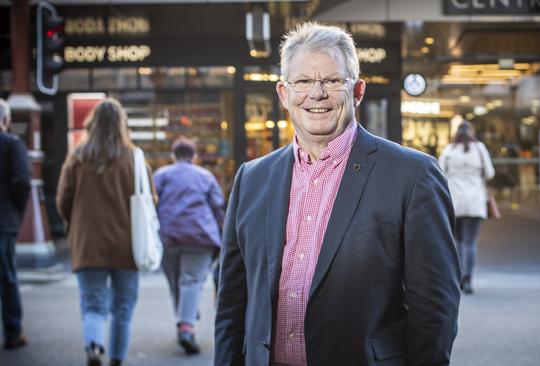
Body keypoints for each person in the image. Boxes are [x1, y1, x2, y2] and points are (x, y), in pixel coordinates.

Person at [214, 22, 460, 366]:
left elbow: (435, 310)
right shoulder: (251, 179)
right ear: (284, 94)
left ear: (357, 91)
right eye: (303, 81)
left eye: (332, 81)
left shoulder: (413, 176)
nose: (317, 94)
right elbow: (231, 304)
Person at [56, 98, 155, 366]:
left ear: (92, 123)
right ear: (121, 124)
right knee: (122, 307)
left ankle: (94, 346)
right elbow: (151, 200)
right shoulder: (134, 158)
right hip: (128, 245)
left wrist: (73, 224)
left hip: (87, 244)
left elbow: (62, 200)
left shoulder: (77, 156)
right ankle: (116, 359)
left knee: (92, 303)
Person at [154, 136, 225, 355]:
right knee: (191, 281)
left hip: (169, 236)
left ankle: (185, 325)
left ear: (173, 156)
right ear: (194, 156)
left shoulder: (161, 175)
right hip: (200, 237)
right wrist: (224, 234)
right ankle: (186, 325)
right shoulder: (206, 176)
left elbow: (151, 203)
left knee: (177, 282)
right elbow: (218, 207)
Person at [439, 121, 495, 295]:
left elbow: (438, 173)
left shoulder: (449, 150)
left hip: (455, 203)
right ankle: (468, 279)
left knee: (457, 241)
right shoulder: (479, 149)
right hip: (475, 202)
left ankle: (457, 277)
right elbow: (490, 173)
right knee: (470, 242)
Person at [0, 99, 31, 350]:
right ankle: (12, 331)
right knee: (7, 277)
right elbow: (22, 181)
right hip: (4, 220)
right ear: (6, 120)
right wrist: (16, 210)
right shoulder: (12, 144)